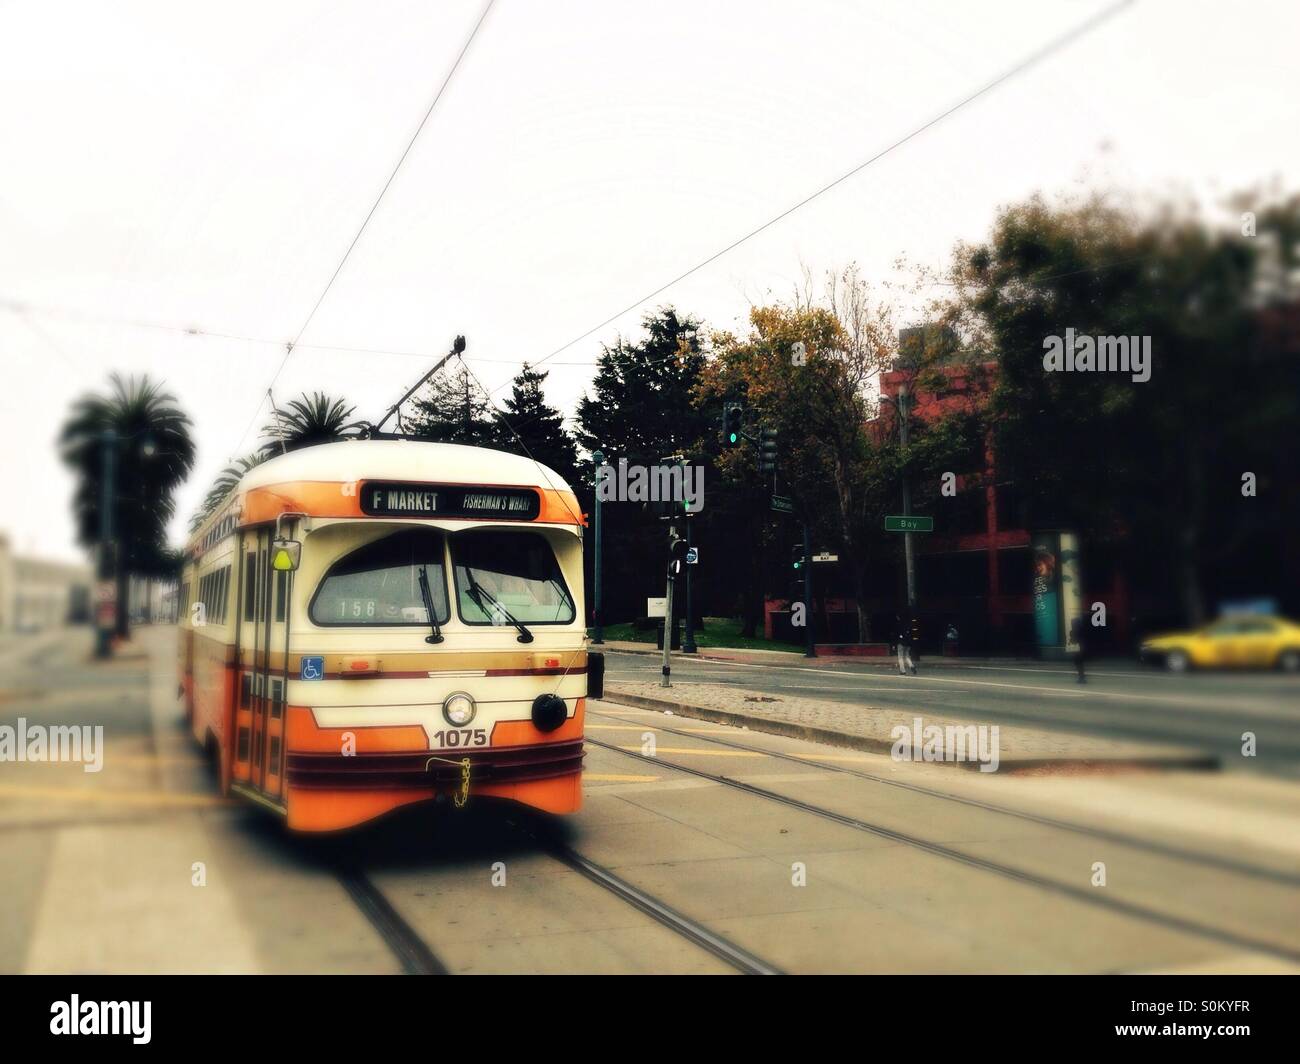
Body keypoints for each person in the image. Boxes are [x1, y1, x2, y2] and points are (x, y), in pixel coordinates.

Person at [1068, 615, 1087, 684]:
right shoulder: (1081, 630)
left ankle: (1081, 677)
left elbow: (1073, 640)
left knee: (1078, 663)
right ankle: (1082, 676)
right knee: (1080, 663)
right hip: (1081, 649)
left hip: (1077, 650)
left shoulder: (1074, 631)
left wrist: (1071, 640)